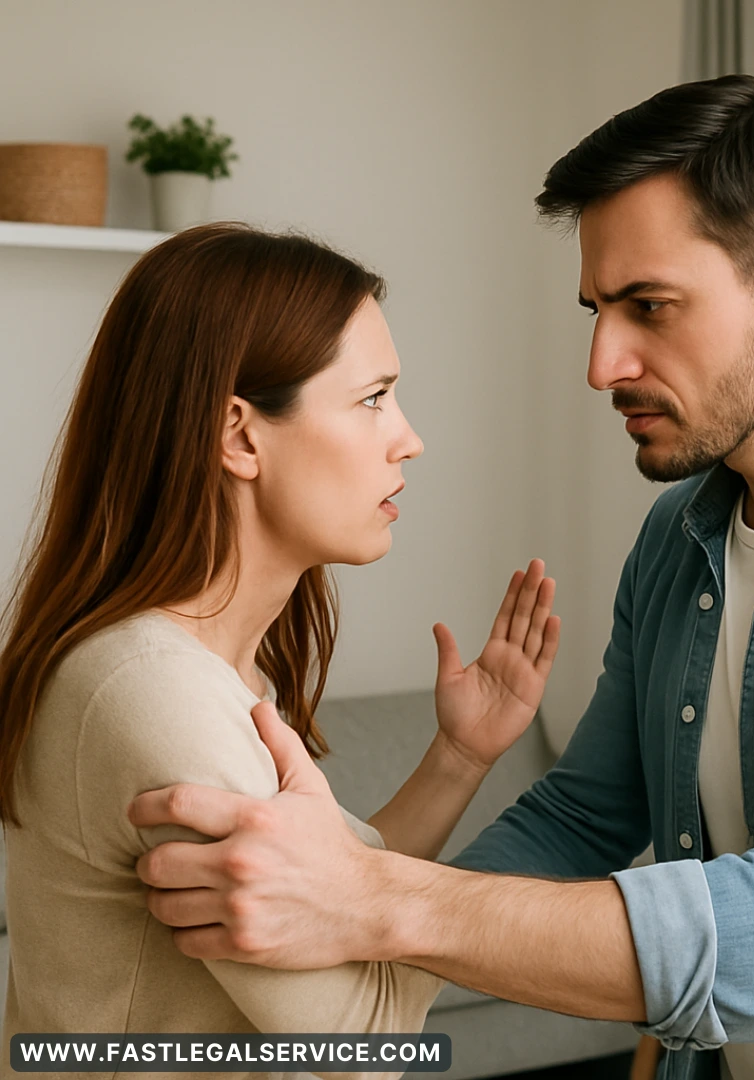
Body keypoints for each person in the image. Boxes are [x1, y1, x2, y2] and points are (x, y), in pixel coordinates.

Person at [128, 75, 754, 1080]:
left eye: (649, 307)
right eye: (598, 308)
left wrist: (371, 899)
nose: (602, 362)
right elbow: (585, 815)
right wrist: (338, 931)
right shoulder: (680, 537)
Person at [0, 223, 560, 1080]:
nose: (409, 438)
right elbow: (360, 1046)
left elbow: (342, 893)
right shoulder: (153, 695)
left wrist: (458, 755)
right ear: (240, 435)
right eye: (374, 398)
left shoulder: (204, 671)